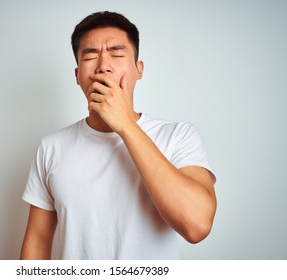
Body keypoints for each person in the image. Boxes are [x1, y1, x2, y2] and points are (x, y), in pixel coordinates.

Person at [20, 11, 217, 260]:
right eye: (90, 55)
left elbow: (196, 226)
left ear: (139, 69)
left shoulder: (178, 135)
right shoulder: (51, 147)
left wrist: (125, 124)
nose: (103, 66)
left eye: (117, 53)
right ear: (77, 76)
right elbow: (37, 241)